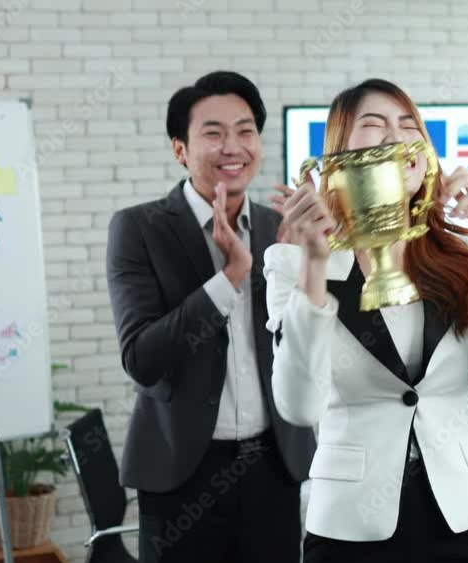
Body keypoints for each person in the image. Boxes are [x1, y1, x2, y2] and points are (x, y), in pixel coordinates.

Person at [265, 78, 468, 562]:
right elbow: (300, 406)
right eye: (375, 124)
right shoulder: (293, 263)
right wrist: (315, 268)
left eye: (409, 126)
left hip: (461, 515)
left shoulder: (466, 250)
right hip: (351, 523)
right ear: (338, 153)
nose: (396, 136)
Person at [106, 71, 315, 563]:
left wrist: (314, 261)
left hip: (274, 466)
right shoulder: (139, 228)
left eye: (245, 131)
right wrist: (231, 275)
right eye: (213, 133)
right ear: (180, 149)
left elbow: (303, 342)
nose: (233, 147)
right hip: (181, 472)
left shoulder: (278, 227)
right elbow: (142, 359)